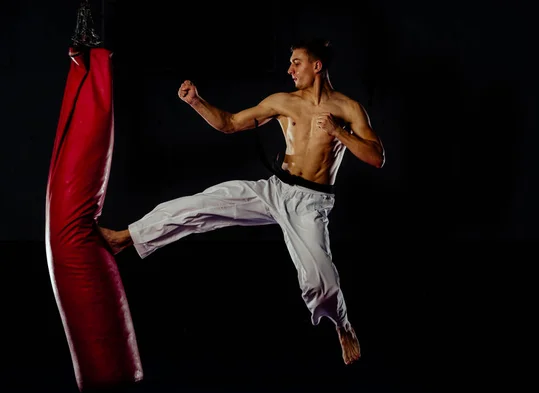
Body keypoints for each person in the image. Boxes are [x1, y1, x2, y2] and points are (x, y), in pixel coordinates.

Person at [99, 38, 385, 365]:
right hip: (277, 189)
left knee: (319, 277)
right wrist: (196, 102)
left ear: (316, 66)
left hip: (312, 203)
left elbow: (377, 157)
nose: (289, 69)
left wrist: (338, 133)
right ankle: (126, 238)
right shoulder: (283, 102)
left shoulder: (348, 109)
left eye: (297, 62)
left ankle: (342, 324)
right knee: (201, 204)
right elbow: (231, 123)